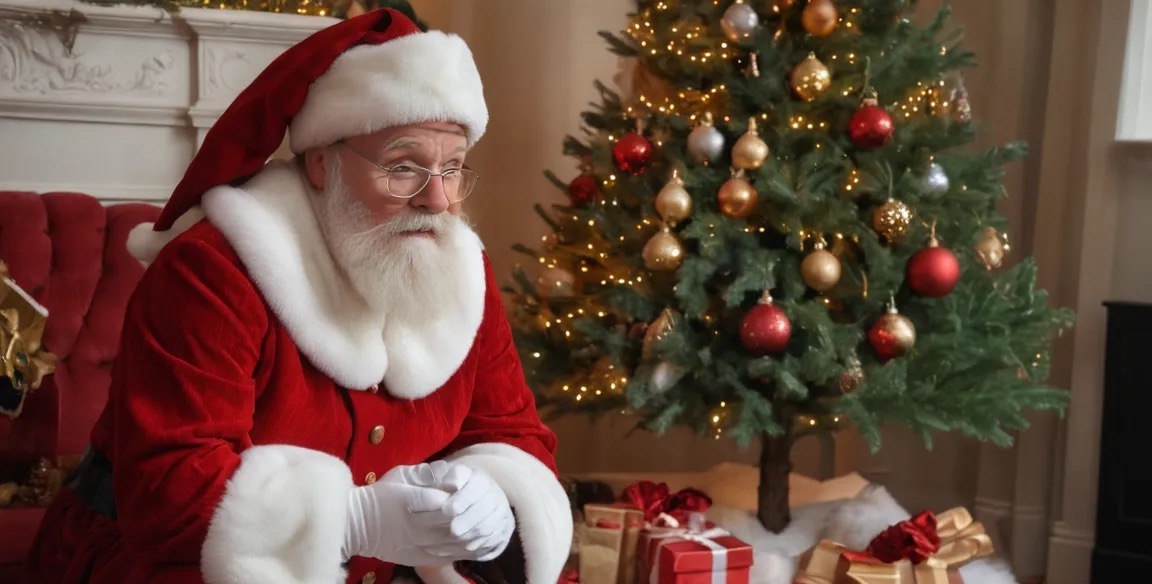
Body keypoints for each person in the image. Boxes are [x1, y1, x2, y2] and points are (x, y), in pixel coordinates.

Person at [20, 8, 572, 584]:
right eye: (403, 166)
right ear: (320, 162)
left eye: (453, 168)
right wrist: (351, 521)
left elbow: (510, 432)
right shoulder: (213, 270)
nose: (437, 200)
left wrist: (495, 496)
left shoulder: (463, 270)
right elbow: (170, 487)